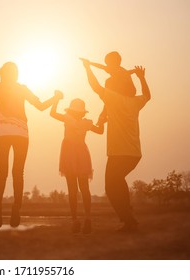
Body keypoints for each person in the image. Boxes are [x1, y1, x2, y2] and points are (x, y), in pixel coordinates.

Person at [0, 61, 60, 228]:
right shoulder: (22, 89)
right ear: (16, 74)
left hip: (2, 135)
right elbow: (41, 107)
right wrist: (56, 97)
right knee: (18, 174)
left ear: (2, 74)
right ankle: (16, 210)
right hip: (21, 135)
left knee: (2, 173)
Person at [81, 58, 151, 232]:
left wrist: (87, 68)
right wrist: (141, 77)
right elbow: (148, 96)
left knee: (111, 187)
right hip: (134, 154)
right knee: (118, 182)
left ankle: (129, 220)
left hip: (119, 153)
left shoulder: (113, 98)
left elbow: (95, 86)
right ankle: (129, 217)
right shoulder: (135, 102)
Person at [50, 91, 104, 234]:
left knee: (73, 190)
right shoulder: (86, 123)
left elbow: (52, 113)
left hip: (69, 154)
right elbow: (100, 131)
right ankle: (86, 219)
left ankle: (76, 220)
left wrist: (56, 99)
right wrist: (102, 119)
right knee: (83, 188)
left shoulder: (67, 119)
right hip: (80, 153)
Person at [82, 51, 137, 128]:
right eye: (107, 63)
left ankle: (103, 115)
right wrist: (90, 63)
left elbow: (126, 73)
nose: (108, 66)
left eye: (109, 63)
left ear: (117, 61)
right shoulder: (113, 70)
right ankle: (103, 115)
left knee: (109, 82)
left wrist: (134, 71)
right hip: (117, 93)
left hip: (129, 91)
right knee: (108, 88)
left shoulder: (121, 70)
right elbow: (101, 67)